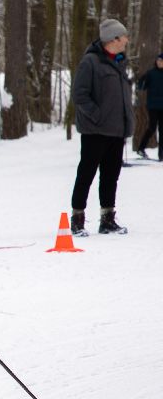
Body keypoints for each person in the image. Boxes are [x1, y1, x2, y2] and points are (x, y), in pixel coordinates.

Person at [70, 19, 133, 236]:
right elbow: (80, 95)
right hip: (95, 130)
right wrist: (97, 116)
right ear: (113, 39)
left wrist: (126, 122)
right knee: (86, 174)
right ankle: (77, 219)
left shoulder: (120, 62)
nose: (126, 40)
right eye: (124, 36)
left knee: (110, 176)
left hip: (116, 130)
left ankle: (107, 219)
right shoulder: (90, 62)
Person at [135, 53, 163, 160]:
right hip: (153, 105)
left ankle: (161, 154)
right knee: (152, 127)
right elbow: (142, 86)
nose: (159, 62)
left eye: (161, 61)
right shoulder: (151, 73)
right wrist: (142, 81)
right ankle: (141, 148)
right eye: (158, 60)